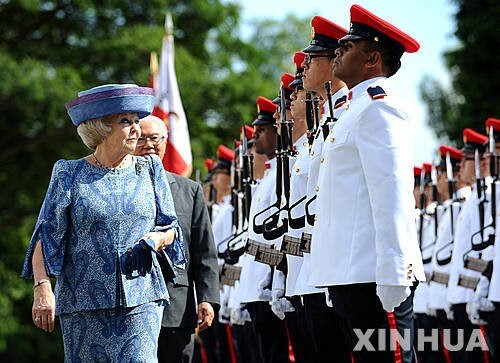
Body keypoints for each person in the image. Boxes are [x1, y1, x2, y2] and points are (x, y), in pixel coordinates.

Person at [21, 83, 185, 362]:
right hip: (83, 303)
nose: (136, 129)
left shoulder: (150, 168)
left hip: (141, 296)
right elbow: (45, 236)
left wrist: (157, 239)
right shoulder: (68, 174)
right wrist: (43, 287)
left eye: (136, 121)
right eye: (126, 122)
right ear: (101, 128)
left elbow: (171, 227)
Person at [310, 5, 425, 362]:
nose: (339, 49)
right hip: (350, 275)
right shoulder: (352, 112)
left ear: (373, 58)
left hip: (375, 276)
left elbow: (392, 194)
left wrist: (394, 271)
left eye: (350, 44)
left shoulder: (379, 108)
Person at [135, 115, 220, 363]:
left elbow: (204, 251)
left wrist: (207, 299)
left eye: (155, 138)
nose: (148, 144)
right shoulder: (117, 189)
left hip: (177, 308)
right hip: (132, 307)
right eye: (141, 138)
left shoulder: (189, 190)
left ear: (166, 141)